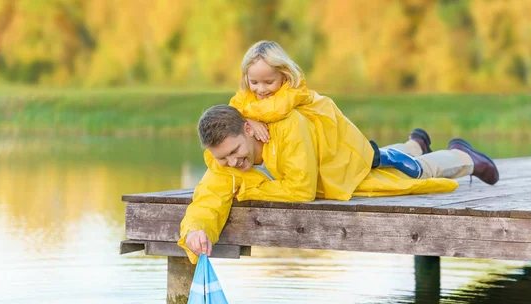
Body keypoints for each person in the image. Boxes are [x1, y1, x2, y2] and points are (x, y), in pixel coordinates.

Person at [178, 104, 499, 263]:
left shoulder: (287, 130)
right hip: (349, 164)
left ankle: (463, 157)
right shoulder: (225, 165)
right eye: (223, 159)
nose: (232, 163)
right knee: (391, 161)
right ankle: (414, 145)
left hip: (343, 169)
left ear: (248, 129)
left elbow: (300, 189)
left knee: (408, 178)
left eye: (235, 151)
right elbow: (207, 199)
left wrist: (249, 189)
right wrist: (197, 229)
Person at [228, 40, 437, 182]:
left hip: (336, 142)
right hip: (315, 153)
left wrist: (247, 116)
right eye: (253, 81)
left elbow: (275, 110)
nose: (260, 89)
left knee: (368, 159)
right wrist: (246, 119)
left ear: (284, 75)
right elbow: (229, 111)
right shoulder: (247, 101)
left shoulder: (291, 94)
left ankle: (395, 155)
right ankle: (415, 145)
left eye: (268, 82)